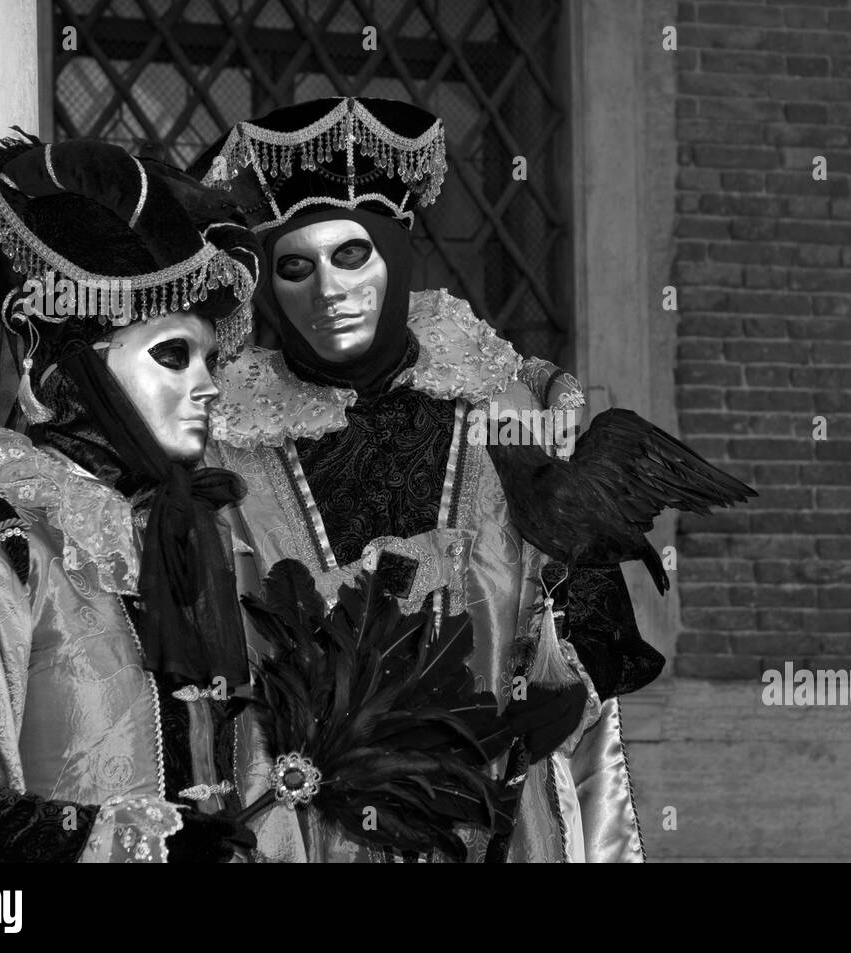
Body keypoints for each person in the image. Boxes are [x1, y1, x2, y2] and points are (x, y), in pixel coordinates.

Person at [190, 97, 665, 862]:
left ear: (396, 252)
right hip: (294, 829)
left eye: (352, 255)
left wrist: (558, 674)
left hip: (490, 818)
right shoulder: (227, 436)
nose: (328, 291)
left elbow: (587, 633)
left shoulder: (508, 407)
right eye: (295, 267)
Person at [0, 132, 271, 862]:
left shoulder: (187, 540)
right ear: (67, 368)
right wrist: (110, 842)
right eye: (172, 354)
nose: (208, 386)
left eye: (210, 357)